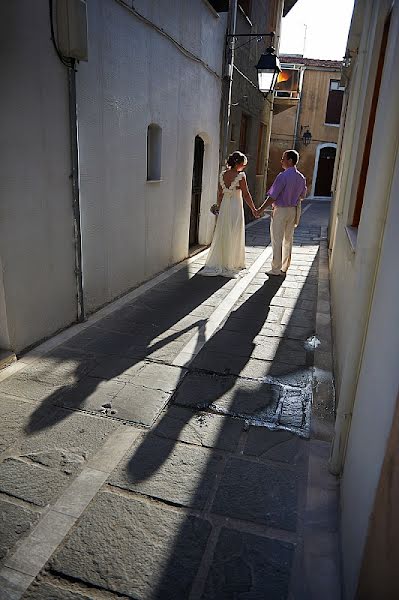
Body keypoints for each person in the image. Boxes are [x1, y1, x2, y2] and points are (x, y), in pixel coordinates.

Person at [200, 151, 258, 278]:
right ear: (238, 163)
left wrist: (219, 208)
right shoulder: (241, 176)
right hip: (235, 207)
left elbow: (220, 194)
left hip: (225, 206)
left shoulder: (222, 175)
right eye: (243, 164)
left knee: (223, 232)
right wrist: (254, 209)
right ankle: (231, 262)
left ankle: (222, 261)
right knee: (235, 231)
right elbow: (246, 194)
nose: (244, 166)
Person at [257, 149, 307, 276]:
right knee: (288, 239)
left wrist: (260, 210)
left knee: (277, 239)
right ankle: (285, 267)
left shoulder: (282, 176)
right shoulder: (301, 178)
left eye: (283, 159)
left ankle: (275, 269)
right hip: (293, 211)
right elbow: (303, 195)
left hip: (281, 210)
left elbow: (272, 196)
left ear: (290, 161)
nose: (281, 161)